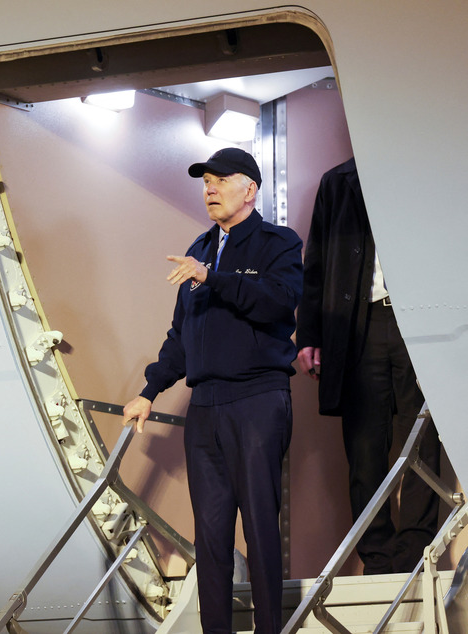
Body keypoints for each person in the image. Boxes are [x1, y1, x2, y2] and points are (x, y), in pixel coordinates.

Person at [122, 147, 302, 634]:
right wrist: (149, 390)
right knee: (212, 535)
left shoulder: (277, 243)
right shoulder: (199, 248)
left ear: (251, 189)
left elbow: (277, 303)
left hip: (257, 400)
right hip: (205, 408)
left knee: (261, 524)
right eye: (205, 181)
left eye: (221, 180)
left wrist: (213, 278)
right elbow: (181, 336)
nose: (210, 188)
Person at [295, 157, 440, 575]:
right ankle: (377, 556)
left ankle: (415, 552)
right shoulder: (338, 180)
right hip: (361, 323)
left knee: (423, 437)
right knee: (363, 446)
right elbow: (316, 264)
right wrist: (309, 335)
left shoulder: (426, 170)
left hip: (422, 320)